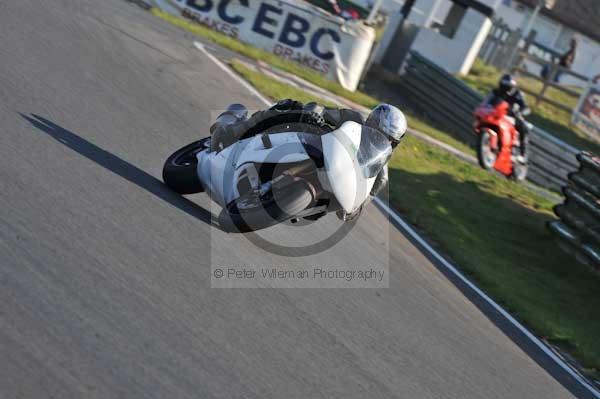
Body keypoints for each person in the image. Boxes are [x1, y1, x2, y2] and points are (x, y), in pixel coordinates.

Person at [210, 99, 407, 219]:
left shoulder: (381, 171)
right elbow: (323, 110)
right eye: (379, 131)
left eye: (389, 139)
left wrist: (354, 208)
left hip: (331, 181)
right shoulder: (353, 119)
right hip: (314, 146)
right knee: (289, 107)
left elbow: (364, 198)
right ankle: (234, 130)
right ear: (371, 121)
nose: (382, 139)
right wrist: (314, 113)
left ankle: (294, 204)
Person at [485, 74, 530, 159]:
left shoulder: (517, 93)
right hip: (497, 115)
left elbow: (525, 107)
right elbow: (486, 102)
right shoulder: (495, 92)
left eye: (507, 86)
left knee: (523, 126)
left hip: (512, 116)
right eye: (503, 85)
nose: (505, 88)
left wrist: (520, 112)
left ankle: (522, 154)